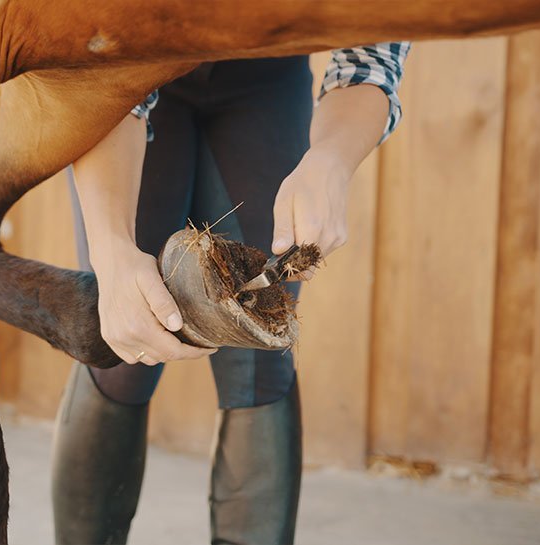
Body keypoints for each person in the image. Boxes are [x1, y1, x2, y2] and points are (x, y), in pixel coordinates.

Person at [52, 44, 410, 545]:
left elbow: (371, 62)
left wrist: (330, 161)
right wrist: (110, 251)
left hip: (264, 76)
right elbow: (103, 63)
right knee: (124, 347)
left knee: (261, 351)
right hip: (125, 65)